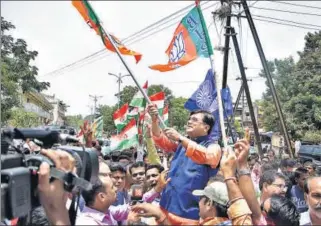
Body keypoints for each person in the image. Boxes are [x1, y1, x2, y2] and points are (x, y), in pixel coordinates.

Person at [147, 105, 222, 224]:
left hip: (189, 216)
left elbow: (209, 157)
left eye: (195, 120)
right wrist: (154, 120)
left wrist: (181, 138)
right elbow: (160, 139)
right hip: (165, 208)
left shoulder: (213, 147)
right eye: (190, 119)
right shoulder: (181, 145)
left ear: (206, 127)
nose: (189, 122)